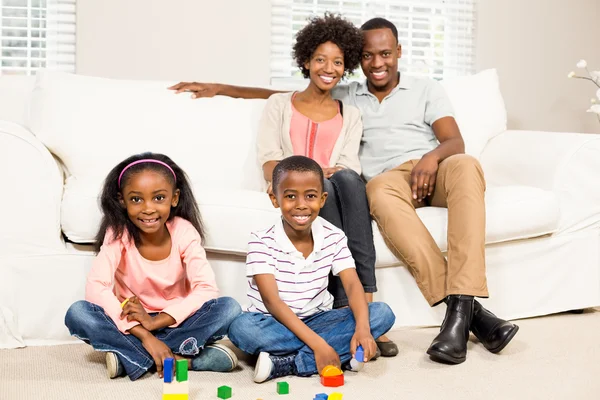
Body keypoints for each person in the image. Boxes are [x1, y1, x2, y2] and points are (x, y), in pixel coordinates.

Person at [169, 16, 519, 365]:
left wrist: (432, 157)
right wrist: (223, 88)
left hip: (434, 167)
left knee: (466, 164)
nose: (378, 63)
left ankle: (461, 303)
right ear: (358, 60)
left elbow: (454, 140)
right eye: (368, 56)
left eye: (385, 54)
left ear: (398, 51)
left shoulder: (426, 89)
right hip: (386, 181)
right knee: (371, 188)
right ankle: (463, 317)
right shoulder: (348, 94)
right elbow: (287, 98)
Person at [171, 13, 397, 356]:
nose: (329, 68)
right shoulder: (280, 104)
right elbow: (270, 162)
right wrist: (222, 88)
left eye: (338, 62)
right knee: (243, 328)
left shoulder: (351, 113)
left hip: (337, 188)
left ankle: (359, 303)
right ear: (305, 60)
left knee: (348, 180)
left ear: (347, 66)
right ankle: (338, 329)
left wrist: (327, 175)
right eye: (320, 59)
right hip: (308, 187)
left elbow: (348, 166)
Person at [64, 152, 242, 380]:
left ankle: (130, 356)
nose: (148, 208)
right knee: (78, 313)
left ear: (174, 198)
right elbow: (97, 287)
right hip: (131, 322)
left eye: (158, 198)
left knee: (229, 308)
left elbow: (206, 289)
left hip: (175, 321)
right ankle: (182, 360)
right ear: (122, 200)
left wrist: (156, 322)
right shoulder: (118, 234)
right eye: (136, 199)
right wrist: (145, 334)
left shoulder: (184, 231)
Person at [227, 156, 395, 383]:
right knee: (240, 327)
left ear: (322, 199)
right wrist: (319, 344)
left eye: (310, 196)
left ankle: (288, 362)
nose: (301, 204)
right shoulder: (261, 241)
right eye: (290, 196)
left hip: (318, 319)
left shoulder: (333, 236)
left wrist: (363, 329)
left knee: (381, 313)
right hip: (272, 321)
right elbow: (272, 302)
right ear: (274, 199)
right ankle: (336, 353)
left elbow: (353, 285)